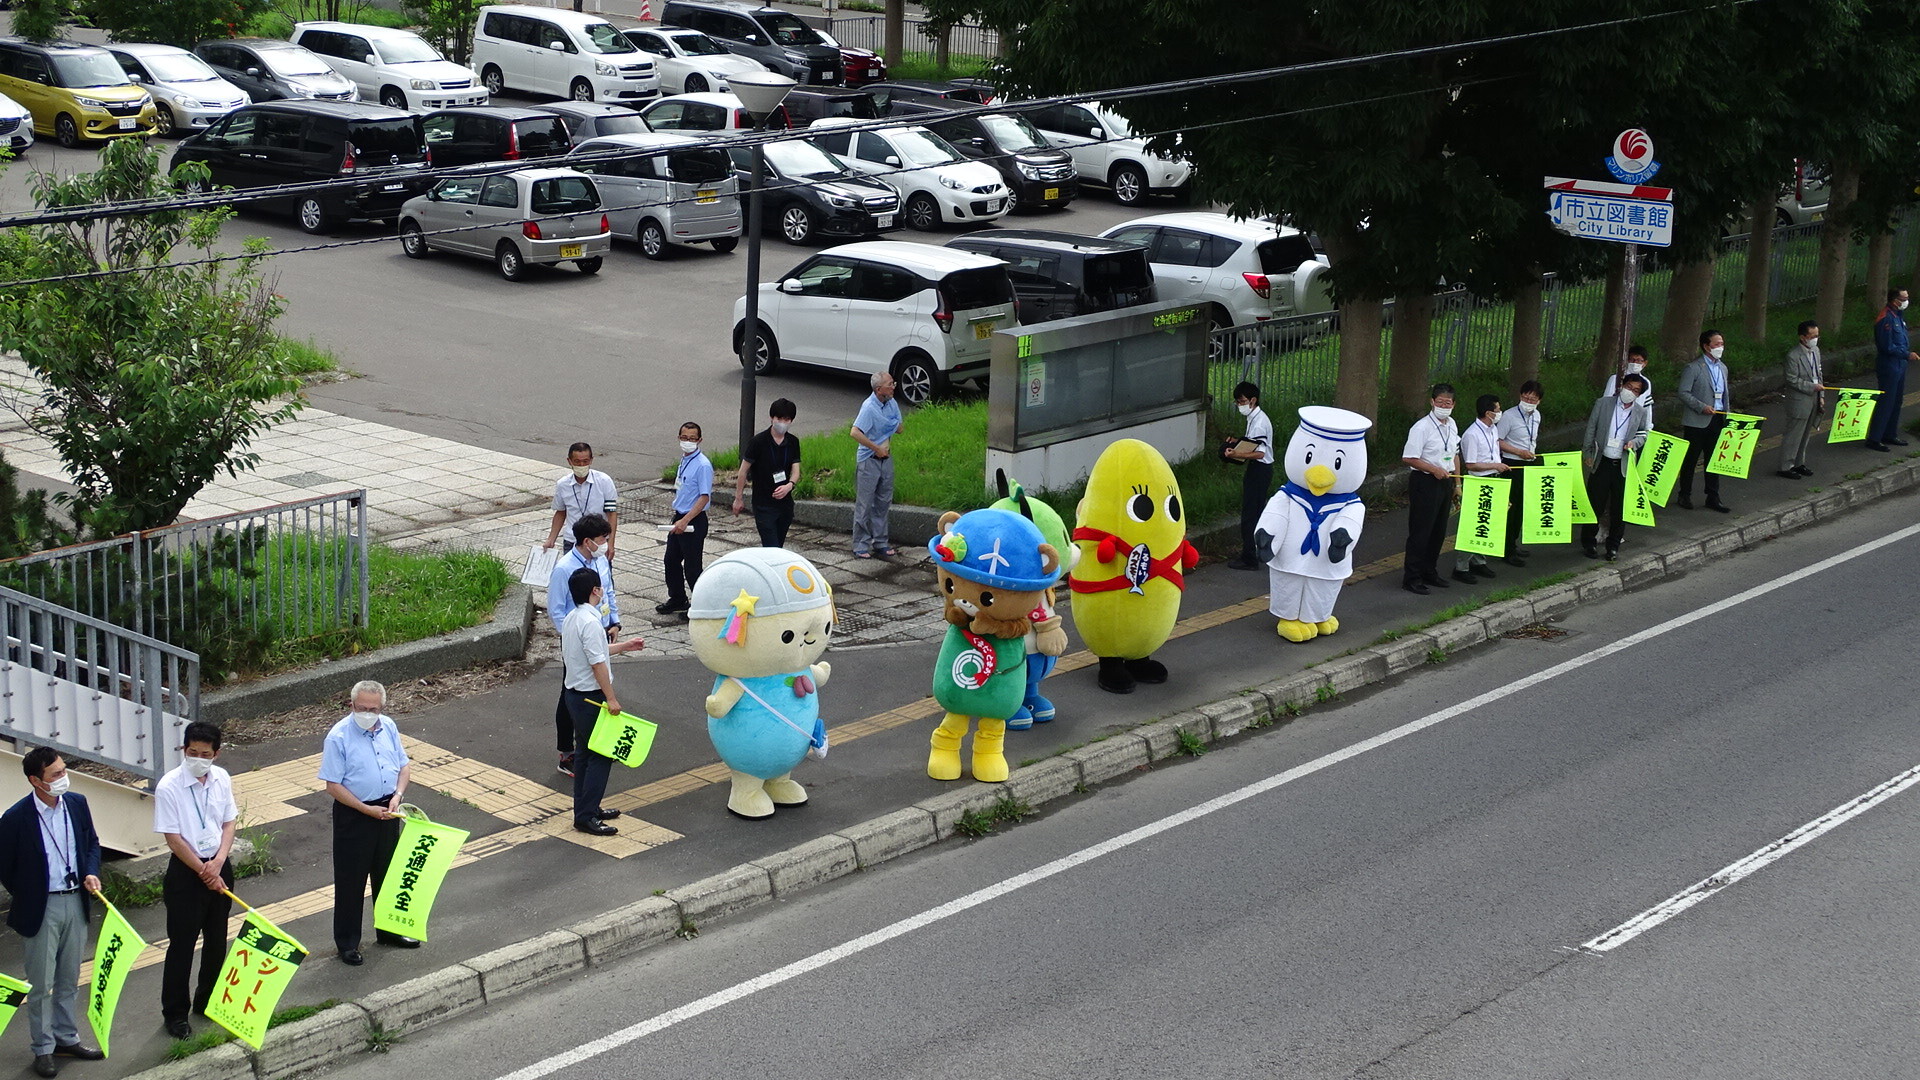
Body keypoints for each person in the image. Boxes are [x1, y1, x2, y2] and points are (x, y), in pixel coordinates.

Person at [0, 748, 103, 1078]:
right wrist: (29, 893)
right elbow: (6, 867)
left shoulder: (76, 803)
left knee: (69, 977)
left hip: (76, 899)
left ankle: (66, 1037)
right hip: (42, 906)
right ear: (35, 781)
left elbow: (91, 843)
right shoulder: (15, 818)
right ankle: (42, 1048)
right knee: (41, 983)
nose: (63, 778)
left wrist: (90, 870)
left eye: (63, 770)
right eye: (55, 775)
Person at [317, 680, 417, 966]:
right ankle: (347, 943)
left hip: (388, 809)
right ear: (352, 705)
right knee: (351, 881)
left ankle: (390, 931)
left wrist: (397, 796)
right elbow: (332, 785)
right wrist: (364, 809)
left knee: (388, 873)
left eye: (373, 709)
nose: (368, 714)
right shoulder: (338, 737)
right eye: (362, 708)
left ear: (382, 707)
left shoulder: (388, 726)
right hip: (354, 814)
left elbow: (403, 765)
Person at [153, 722, 237, 1040]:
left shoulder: (221, 779)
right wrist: (204, 870)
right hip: (186, 874)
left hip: (218, 864)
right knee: (182, 945)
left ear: (216, 753)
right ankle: (175, 1013)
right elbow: (173, 838)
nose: (198, 758)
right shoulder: (169, 786)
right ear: (183, 749)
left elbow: (229, 822)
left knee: (216, 941)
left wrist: (217, 862)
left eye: (205, 754)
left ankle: (208, 1001)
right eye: (192, 752)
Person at [562, 567, 645, 835]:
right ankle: (586, 816)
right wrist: (611, 698)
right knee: (600, 756)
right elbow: (597, 662)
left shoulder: (574, 617)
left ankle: (587, 808)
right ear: (595, 591)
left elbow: (595, 650)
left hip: (574, 696)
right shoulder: (590, 621)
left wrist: (625, 646)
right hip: (591, 698)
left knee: (585, 754)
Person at [546, 514, 619, 777]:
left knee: (596, 692)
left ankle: (594, 747)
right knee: (572, 694)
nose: (605, 543)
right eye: (602, 539)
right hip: (577, 637)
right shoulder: (564, 568)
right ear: (587, 541)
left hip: (598, 631)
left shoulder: (599, 561)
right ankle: (567, 753)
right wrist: (574, 638)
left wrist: (614, 622)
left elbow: (608, 591)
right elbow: (555, 611)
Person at [1581, 372, 1653, 561]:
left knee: (1619, 508)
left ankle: (1613, 546)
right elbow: (1591, 428)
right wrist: (1587, 453)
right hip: (1602, 461)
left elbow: (1644, 433)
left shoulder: (1640, 411)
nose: (1631, 392)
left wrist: (1634, 443)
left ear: (1639, 395)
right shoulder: (1603, 404)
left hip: (1622, 465)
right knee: (1594, 504)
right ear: (1622, 385)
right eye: (1629, 387)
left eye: (1636, 391)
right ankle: (1589, 543)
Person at [1400, 383, 1460, 596]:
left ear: (1454, 404)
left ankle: (1429, 571)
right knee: (1421, 530)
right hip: (1425, 481)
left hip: (1446, 480)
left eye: (1448, 403)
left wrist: (1457, 483)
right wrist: (1433, 469)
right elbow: (1409, 457)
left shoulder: (1452, 424)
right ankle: (1412, 577)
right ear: (1432, 402)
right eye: (1440, 402)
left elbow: (1455, 453)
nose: (1444, 406)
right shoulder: (1422, 427)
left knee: (1438, 530)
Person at [1452, 394, 1508, 583]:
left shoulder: (1493, 429)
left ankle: (1479, 561)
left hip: (1494, 480)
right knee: (1473, 525)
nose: (1500, 413)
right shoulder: (1472, 434)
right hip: (1479, 482)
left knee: (1488, 523)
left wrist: (1497, 468)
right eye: (1497, 410)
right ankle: (1461, 567)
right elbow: (1472, 464)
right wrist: (1495, 466)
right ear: (1488, 412)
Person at [1675, 329, 1733, 512]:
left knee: (1714, 459)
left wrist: (1727, 414)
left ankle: (1713, 496)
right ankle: (1684, 494)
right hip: (1697, 421)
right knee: (1691, 459)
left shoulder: (1723, 367)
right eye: (1716, 344)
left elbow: (1725, 395)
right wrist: (1701, 406)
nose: (1720, 347)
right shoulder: (1693, 368)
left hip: (1718, 418)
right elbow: (1683, 392)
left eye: (1722, 344)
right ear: (1706, 346)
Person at [658, 422, 712, 616]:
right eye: (684, 438)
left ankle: (701, 606)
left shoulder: (703, 465)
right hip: (679, 516)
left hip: (693, 520)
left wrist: (686, 520)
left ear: (699, 440)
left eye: (692, 439)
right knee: (671, 560)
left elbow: (704, 497)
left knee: (692, 567)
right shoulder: (685, 460)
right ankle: (678, 598)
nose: (687, 442)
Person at [733, 399, 803, 549]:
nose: (782, 423)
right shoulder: (758, 442)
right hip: (763, 503)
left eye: (787, 419)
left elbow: (796, 471)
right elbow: (743, 471)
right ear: (772, 418)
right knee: (771, 546)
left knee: (779, 545)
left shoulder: (793, 442)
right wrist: (738, 498)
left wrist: (789, 486)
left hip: (784, 504)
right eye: (779, 419)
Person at [850, 372, 903, 558]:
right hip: (869, 460)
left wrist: (889, 425)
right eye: (890, 384)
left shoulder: (892, 403)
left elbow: (900, 428)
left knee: (883, 502)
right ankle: (860, 545)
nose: (894, 386)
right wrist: (875, 447)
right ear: (879, 389)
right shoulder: (869, 408)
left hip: (886, 459)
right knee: (865, 505)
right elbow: (855, 432)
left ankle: (880, 542)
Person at [1223, 381, 1275, 570]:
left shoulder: (1260, 422)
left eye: (1242, 401)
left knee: (1250, 515)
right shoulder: (1255, 418)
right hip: (1259, 470)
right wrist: (1237, 442)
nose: (1240, 405)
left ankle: (1249, 558)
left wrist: (1236, 454)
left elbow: (1260, 452)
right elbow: (1252, 443)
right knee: (1255, 512)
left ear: (1253, 400)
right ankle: (1256, 551)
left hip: (1259, 469)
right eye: (1237, 402)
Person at [543, 442, 618, 559]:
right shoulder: (563, 484)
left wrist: (611, 543)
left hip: (598, 540)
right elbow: (561, 512)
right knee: (574, 575)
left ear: (591, 460)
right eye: (577, 462)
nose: (582, 465)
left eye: (585, 461)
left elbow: (611, 514)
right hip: (572, 540)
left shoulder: (604, 481)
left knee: (601, 575)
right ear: (569, 461)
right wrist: (551, 539)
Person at [1497, 380, 1544, 564]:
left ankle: (1513, 543)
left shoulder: (1537, 416)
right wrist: (1518, 452)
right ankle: (1506, 549)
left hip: (1529, 463)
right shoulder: (1509, 416)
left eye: (1532, 399)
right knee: (1512, 508)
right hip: (1512, 464)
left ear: (1539, 401)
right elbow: (1498, 441)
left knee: (1522, 507)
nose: (1528, 401)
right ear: (1520, 396)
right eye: (1525, 397)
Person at [1868, 287, 1915, 452]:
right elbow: (1886, 346)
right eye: (1904, 298)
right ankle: (1875, 438)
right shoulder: (1885, 318)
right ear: (1895, 300)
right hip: (1890, 364)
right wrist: (1907, 354)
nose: (1907, 301)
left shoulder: (1898, 316)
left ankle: (1890, 433)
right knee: (1886, 401)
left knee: (1897, 400)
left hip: (1900, 364)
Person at [1776, 321, 1823, 478]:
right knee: (1794, 434)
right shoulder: (1793, 356)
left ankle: (1799, 462)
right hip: (1799, 399)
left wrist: (1821, 396)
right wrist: (1812, 387)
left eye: (1817, 335)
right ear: (1803, 337)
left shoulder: (1816, 351)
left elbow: (1819, 373)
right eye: (1812, 336)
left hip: (1814, 398)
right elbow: (1791, 379)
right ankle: (1785, 466)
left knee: (1805, 434)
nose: (1815, 339)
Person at [1602, 343, 1655, 408]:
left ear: (1645, 363)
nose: (1635, 363)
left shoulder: (1646, 382)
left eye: (1638, 360)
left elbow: (1647, 407)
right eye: (1632, 360)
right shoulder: (1615, 379)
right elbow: (1605, 402)